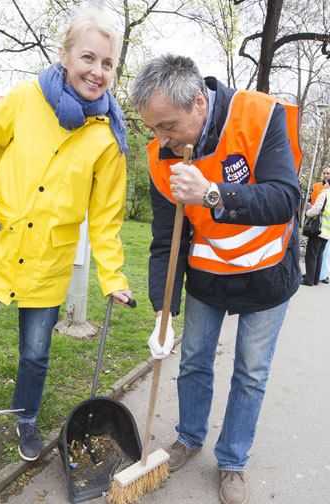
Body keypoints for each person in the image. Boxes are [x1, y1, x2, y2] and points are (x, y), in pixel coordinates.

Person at [0, 8, 133, 488]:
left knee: (35, 355)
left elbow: (105, 218)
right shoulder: (25, 97)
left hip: (46, 265)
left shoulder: (107, 138)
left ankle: (26, 417)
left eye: (107, 63)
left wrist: (113, 278)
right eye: (88, 58)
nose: (97, 71)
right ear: (65, 56)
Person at [131, 54, 302, 504]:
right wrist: (162, 311)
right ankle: (188, 437)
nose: (161, 139)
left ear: (198, 107)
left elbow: (285, 198)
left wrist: (211, 194)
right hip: (209, 275)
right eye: (154, 128)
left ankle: (232, 461)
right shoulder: (161, 157)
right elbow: (167, 241)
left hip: (267, 273)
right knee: (193, 361)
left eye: (167, 125)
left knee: (250, 372)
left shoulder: (259, 116)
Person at [303, 167, 330, 285]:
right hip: (327, 232)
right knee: (319, 256)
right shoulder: (319, 188)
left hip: (317, 229)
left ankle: (309, 280)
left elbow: (316, 210)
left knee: (311, 255)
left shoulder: (324, 194)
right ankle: (315, 280)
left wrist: (307, 213)